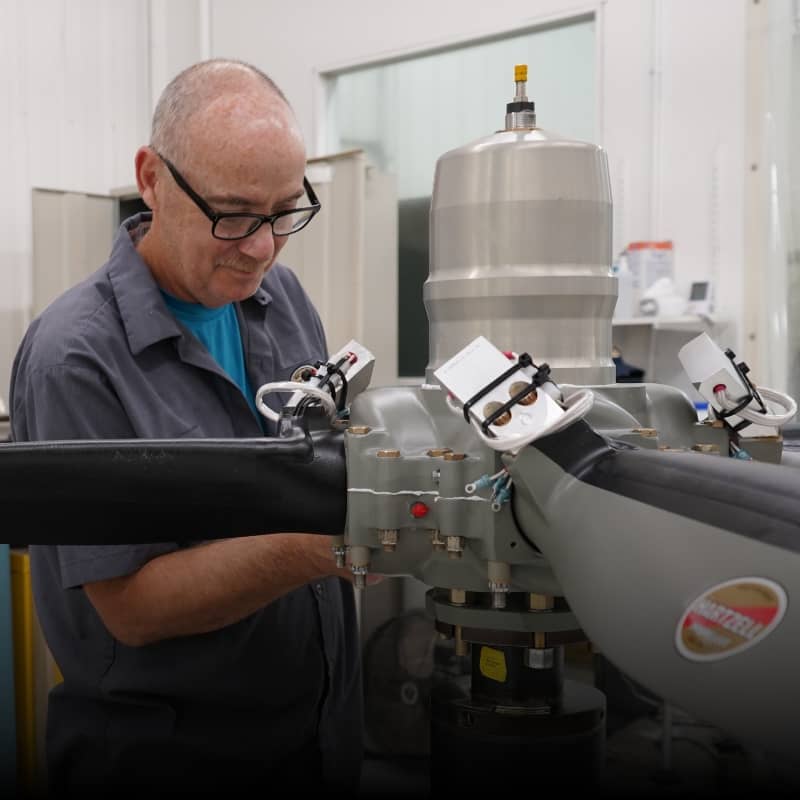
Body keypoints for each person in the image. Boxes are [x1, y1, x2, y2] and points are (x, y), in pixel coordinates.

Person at [9, 59, 364, 796]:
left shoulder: (279, 296)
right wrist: (329, 545)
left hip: (318, 734)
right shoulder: (74, 357)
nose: (261, 247)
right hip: (165, 758)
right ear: (151, 179)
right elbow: (130, 611)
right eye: (233, 214)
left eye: (283, 213)